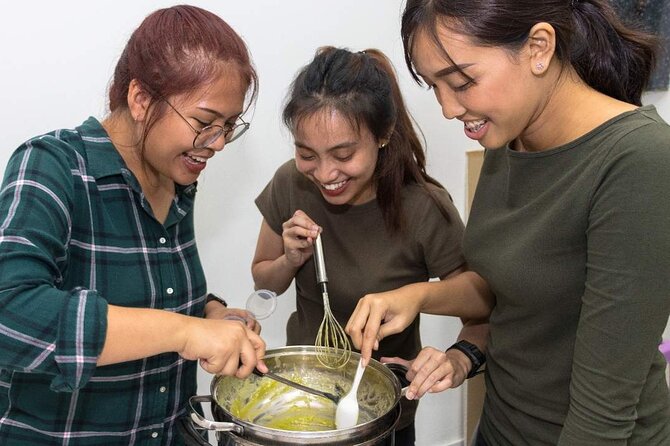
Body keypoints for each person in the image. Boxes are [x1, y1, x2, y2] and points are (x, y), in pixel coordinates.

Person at [346, 0, 670, 445]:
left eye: (461, 81)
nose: (447, 108)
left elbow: (605, 411)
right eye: (435, 86)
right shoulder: (508, 137)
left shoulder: (639, 160)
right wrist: (418, 296)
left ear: (539, 47)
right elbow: (507, 288)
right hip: (501, 426)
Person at [0, 5, 267, 445]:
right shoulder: (53, 165)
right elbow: (11, 313)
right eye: (203, 123)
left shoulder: (175, 179)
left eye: (228, 127)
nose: (217, 144)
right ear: (141, 99)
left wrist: (211, 314)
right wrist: (188, 332)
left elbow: (149, 293)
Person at [251, 46, 489, 445]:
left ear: (382, 136)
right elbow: (265, 280)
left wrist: (416, 297)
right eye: (306, 153)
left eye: (343, 154)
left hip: (383, 416)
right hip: (304, 401)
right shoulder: (289, 183)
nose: (325, 174)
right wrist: (291, 259)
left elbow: (480, 301)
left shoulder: (424, 206)